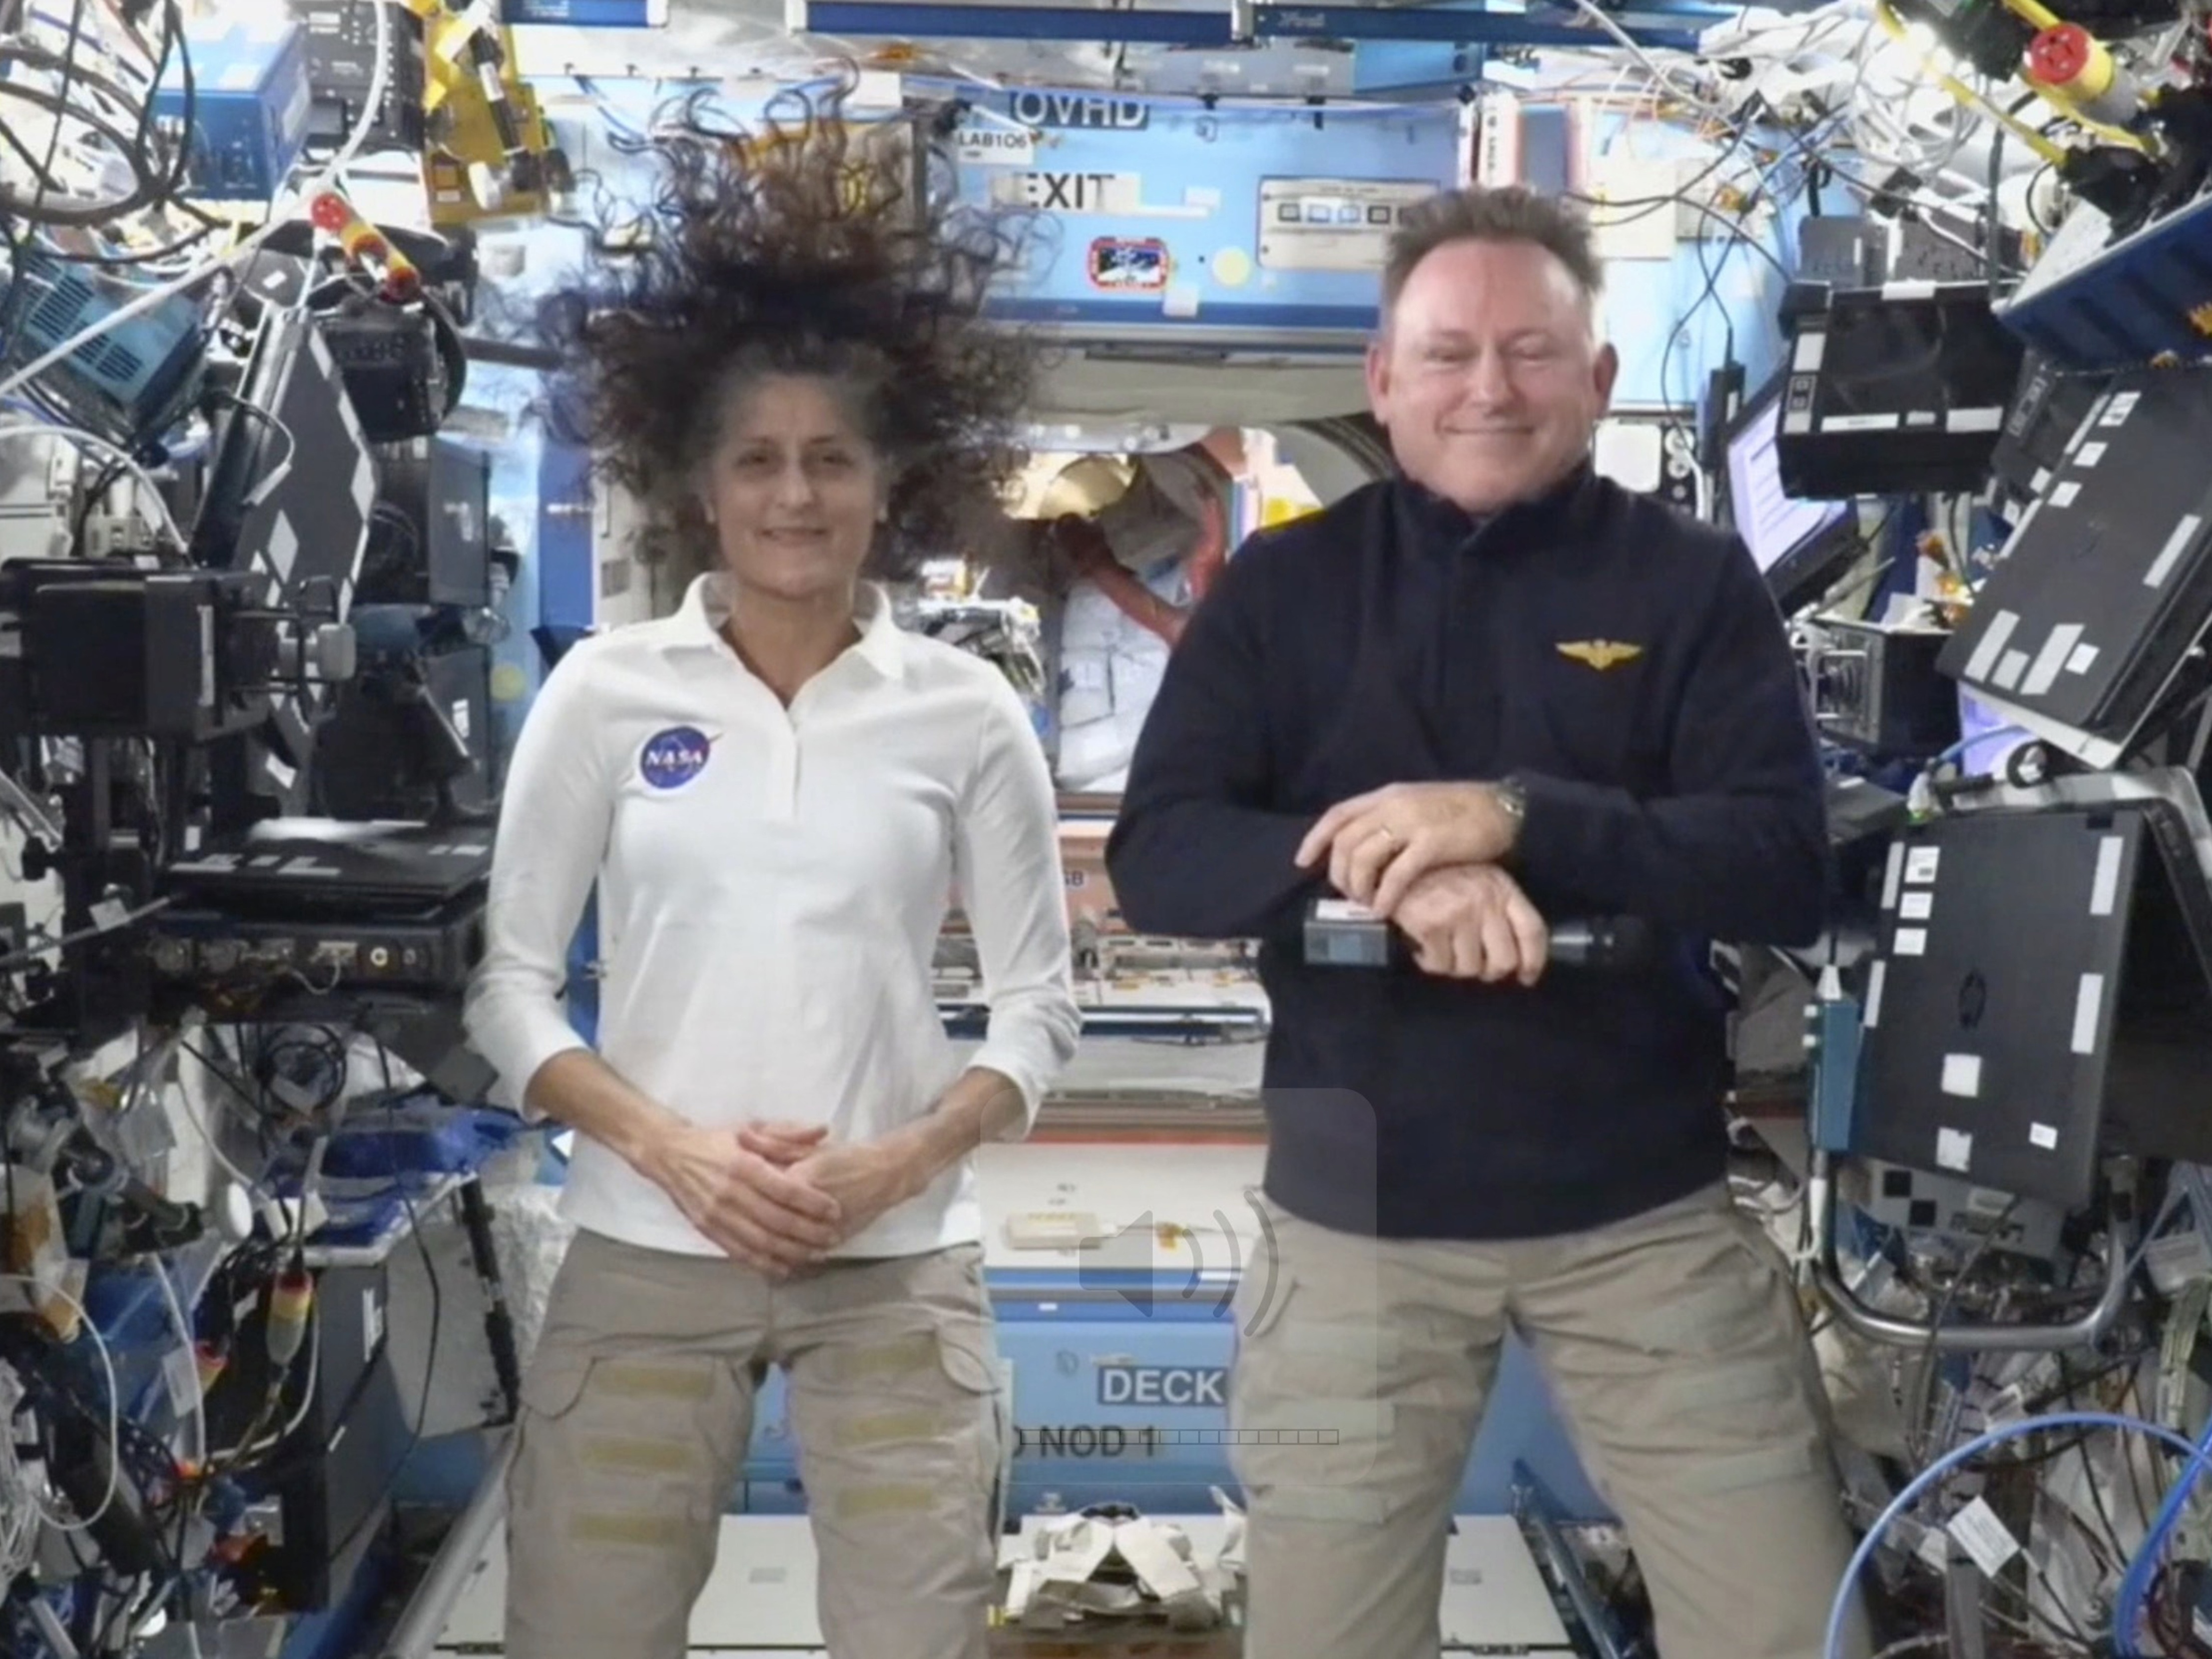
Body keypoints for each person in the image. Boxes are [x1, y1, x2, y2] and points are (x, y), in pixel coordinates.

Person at [1106, 185, 1870, 1659]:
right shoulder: (1285, 588)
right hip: (1352, 1204)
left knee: (1787, 1625)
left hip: (1640, 1209)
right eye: (1448, 354)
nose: (1488, 390)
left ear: (1597, 378)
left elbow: (1782, 865)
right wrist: (1396, 869)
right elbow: (1165, 855)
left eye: (1531, 352)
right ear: (1383, 380)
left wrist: (1516, 815)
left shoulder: (1689, 582)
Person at [463, 100, 1081, 1659]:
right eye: (756, 460)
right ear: (700, 482)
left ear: (889, 479)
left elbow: (1036, 1014)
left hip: (897, 1260)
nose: (792, 495)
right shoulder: (605, 692)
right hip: (645, 1244)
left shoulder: (963, 709)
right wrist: (674, 1149)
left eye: (829, 459)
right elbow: (509, 992)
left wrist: (898, 1161)